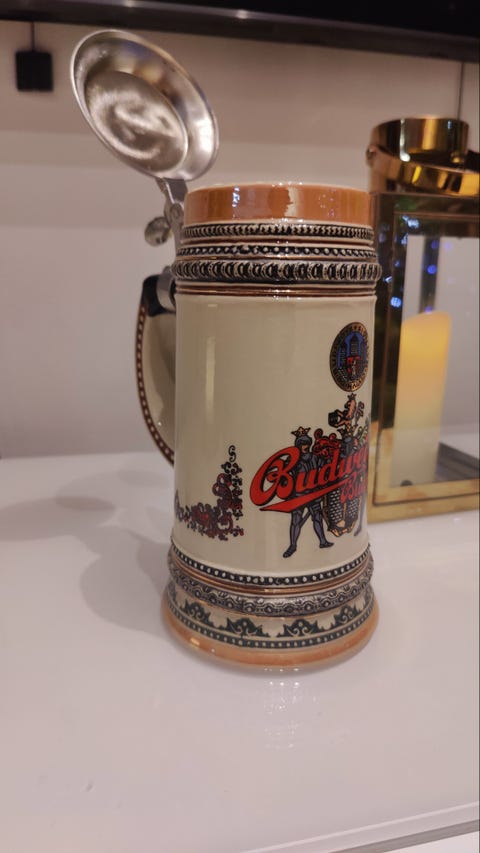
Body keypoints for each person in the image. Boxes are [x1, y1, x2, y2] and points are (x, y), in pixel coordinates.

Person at [283, 427, 333, 558]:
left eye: (307, 443)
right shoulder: (292, 461)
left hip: (313, 494)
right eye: (302, 444)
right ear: (298, 445)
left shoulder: (315, 457)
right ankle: (292, 546)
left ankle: (322, 541)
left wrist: (329, 459)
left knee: (317, 518)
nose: (305, 446)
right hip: (298, 496)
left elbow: (327, 466)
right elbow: (284, 476)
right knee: (296, 521)